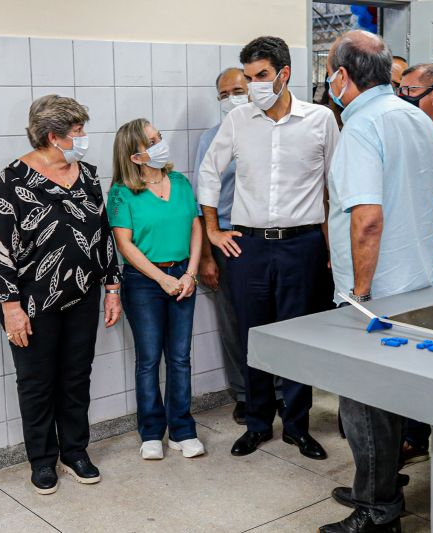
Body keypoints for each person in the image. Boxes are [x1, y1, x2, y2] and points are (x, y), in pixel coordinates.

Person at [320, 31, 433, 533]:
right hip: (417, 281)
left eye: (329, 72)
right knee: (390, 397)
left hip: (377, 292)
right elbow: (431, 201)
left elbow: (367, 219)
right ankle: (379, 483)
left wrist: (360, 294)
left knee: (364, 404)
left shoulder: (362, 126)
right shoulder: (417, 117)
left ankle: (378, 510)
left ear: (342, 76)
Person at [198, 36, 339, 460]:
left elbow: (335, 187)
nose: (254, 85)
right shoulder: (238, 119)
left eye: (262, 76)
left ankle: (297, 427)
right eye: (249, 77)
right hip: (249, 246)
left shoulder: (320, 120)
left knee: (297, 338)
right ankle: (258, 423)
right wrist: (213, 231)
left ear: (284, 74)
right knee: (253, 337)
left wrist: (333, 249)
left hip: (303, 245)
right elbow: (208, 172)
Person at [0, 95, 122, 495]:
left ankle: (75, 451)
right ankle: (43, 459)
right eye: (78, 130)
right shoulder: (13, 179)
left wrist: (112, 287)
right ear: (53, 136)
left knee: (76, 376)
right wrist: (11, 307)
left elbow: (103, 234)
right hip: (31, 301)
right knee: (36, 382)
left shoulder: (87, 175)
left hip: (83, 294)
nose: (83, 136)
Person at [108, 119, 205, 460]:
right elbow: (125, 244)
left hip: (182, 275)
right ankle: (151, 432)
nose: (160, 143)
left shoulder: (179, 182)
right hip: (143, 282)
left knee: (180, 358)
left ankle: (182, 430)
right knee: (149, 359)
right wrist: (160, 279)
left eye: (159, 137)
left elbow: (195, 227)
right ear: (134, 156)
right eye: (151, 141)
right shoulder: (122, 192)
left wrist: (190, 274)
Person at [190, 67, 258, 426]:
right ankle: (244, 394)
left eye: (238, 90)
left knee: (275, 319)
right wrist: (206, 255)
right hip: (228, 237)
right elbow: (203, 198)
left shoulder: (272, 131)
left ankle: (279, 392)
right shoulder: (212, 138)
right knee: (233, 322)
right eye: (224, 94)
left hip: (268, 236)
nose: (232, 98)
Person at [394, 61, 433, 465]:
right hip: (412, 253)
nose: (402, 97)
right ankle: (411, 435)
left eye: (409, 90)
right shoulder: (400, 126)